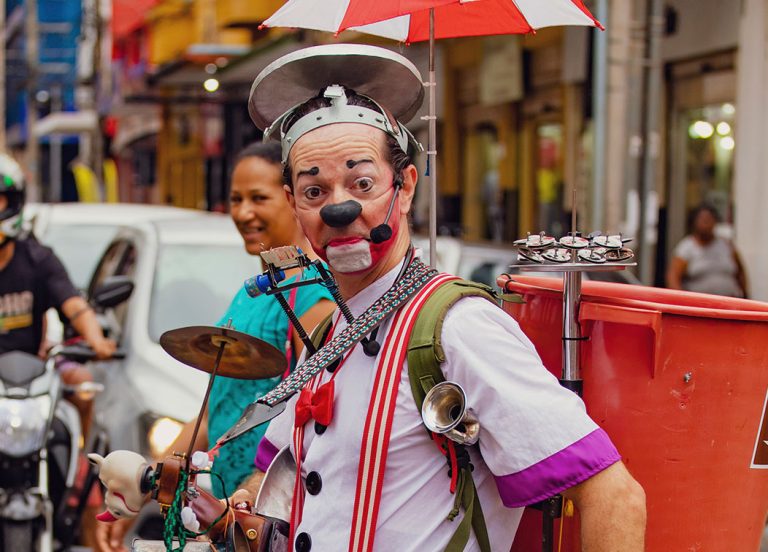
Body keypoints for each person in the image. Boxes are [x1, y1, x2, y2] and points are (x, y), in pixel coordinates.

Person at [233, 44, 646, 552]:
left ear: (405, 186)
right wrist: (235, 503)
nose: (339, 208)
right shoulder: (328, 334)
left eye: (362, 183)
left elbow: (614, 494)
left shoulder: (459, 328)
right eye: (315, 192)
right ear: (295, 205)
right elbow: (283, 478)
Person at [94, 142, 334, 551]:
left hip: (266, 518)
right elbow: (215, 411)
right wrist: (148, 480)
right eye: (236, 199)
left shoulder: (313, 297)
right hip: (224, 511)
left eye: (259, 198)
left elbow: (312, 424)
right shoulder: (252, 294)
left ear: (294, 200)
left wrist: (248, 498)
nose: (243, 213)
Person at [667, 203, 748, 298]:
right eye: (703, 220)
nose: (706, 223)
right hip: (698, 303)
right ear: (694, 222)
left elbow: (740, 273)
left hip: (728, 301)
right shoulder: (686, 248)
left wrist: (745, 294)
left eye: (709, 220)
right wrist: (681, 300)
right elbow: (673, 277)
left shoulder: (726, 246)